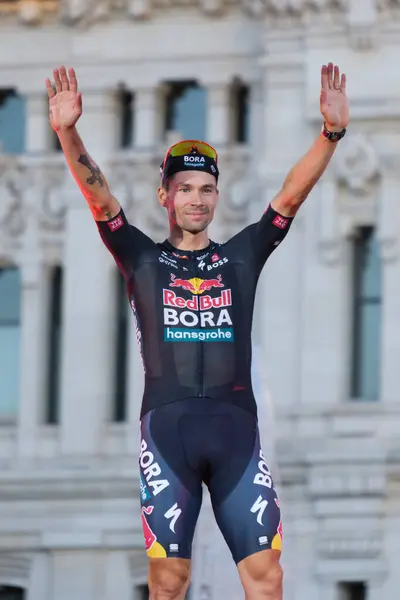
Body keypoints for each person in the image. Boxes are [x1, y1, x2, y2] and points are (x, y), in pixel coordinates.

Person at [46, 62, 349, 600]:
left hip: (237, 437)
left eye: (207, 189)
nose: (197, 199)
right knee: (169, 582)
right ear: (166, 197)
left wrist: (331, 134)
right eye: (185, 188)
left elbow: (289, 197)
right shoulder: (140, 257)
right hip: (168, 437)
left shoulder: (240, 258)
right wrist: (68, 132)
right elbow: (99, 196)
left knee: (268, 578)